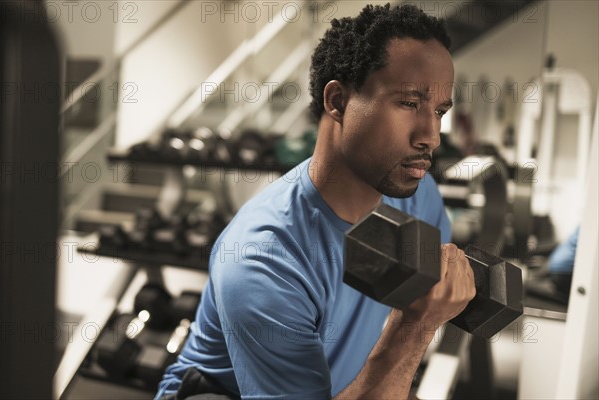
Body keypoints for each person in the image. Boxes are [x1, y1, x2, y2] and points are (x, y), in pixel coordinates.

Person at [156, 4, 476, 399]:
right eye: (409, 103)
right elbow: (407, 331)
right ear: (337, 101)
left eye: (440, 111)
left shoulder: (415, 193)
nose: (432, 136)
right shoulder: (264, 257)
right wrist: (415, 328)